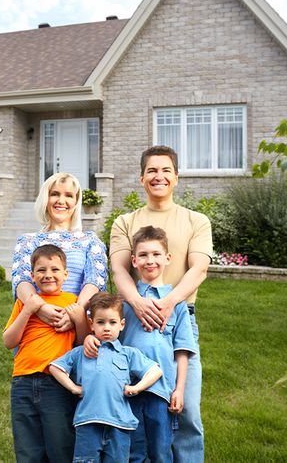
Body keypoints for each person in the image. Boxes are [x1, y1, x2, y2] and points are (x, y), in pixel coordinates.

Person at [91, 145, 212, 462]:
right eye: (152, 171)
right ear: (142, 177)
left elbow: (198, 268)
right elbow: (118, 268)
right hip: (133, 324)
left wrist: (171, 302)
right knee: (132, 408)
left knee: (185, 411)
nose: (159, 176)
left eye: (166, 170)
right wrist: (137, 302)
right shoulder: (125, 222)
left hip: (179, 319)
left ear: (176, 177)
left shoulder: (195, 221)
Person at [49, 292, 162, 463]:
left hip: (119, 424)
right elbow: (55, 367)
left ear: (122, 325)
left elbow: (155, 371)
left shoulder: (128, 354)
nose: (107, 328)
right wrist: (73, 387)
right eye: (100, 322)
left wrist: (136, 388)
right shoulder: (82, 352)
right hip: (87, 421)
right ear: (91, 324)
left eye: (112, 322)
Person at [118, 226, 198, 463]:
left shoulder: (177, 305)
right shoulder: (125, 303)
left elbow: (181, 352)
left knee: (161, 452)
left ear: (167, 258)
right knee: (133, 451)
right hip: (129, 391)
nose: (149, 260)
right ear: (133, 260)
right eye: (143, 255)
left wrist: (180, 389)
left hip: (162, 391)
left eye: (155, 254)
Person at [3, 244, 81, 462]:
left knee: (60, 444)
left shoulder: (72, 303)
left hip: (56, 383)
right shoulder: (26, 303)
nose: (48, 275)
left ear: (66, 274)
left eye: (55, 270)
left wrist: (79, 319)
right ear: (32, 275)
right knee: (27, 447)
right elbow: (8, 341)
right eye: (41, 270)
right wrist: (29, 308)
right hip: (23, 381)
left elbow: (81, 341)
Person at [11, 172, 108, 344]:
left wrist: (75, 314)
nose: (61, 201)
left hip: (78, 329)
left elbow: (94, 281)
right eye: (54, 194)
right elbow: (22, 281)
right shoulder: (28, 241)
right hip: (37, 329)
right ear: (45, 198)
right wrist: (41, 309)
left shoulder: (90, 241)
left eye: (69, 195)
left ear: (76, 202)